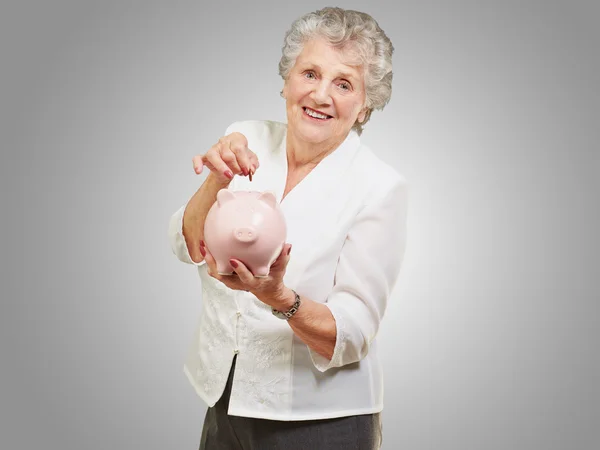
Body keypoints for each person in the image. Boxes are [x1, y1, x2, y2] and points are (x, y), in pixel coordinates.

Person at [168, 7, 408, 449]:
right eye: (310, 73)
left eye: (343, 84)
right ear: (286, 80)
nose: (320, 95)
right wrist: (216, 180)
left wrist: (277, 297)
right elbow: (189, 246)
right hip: (225, 399)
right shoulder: (245, 138)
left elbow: (353, 332)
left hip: (320, 421)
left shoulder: (379, 187)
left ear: (364, 106)